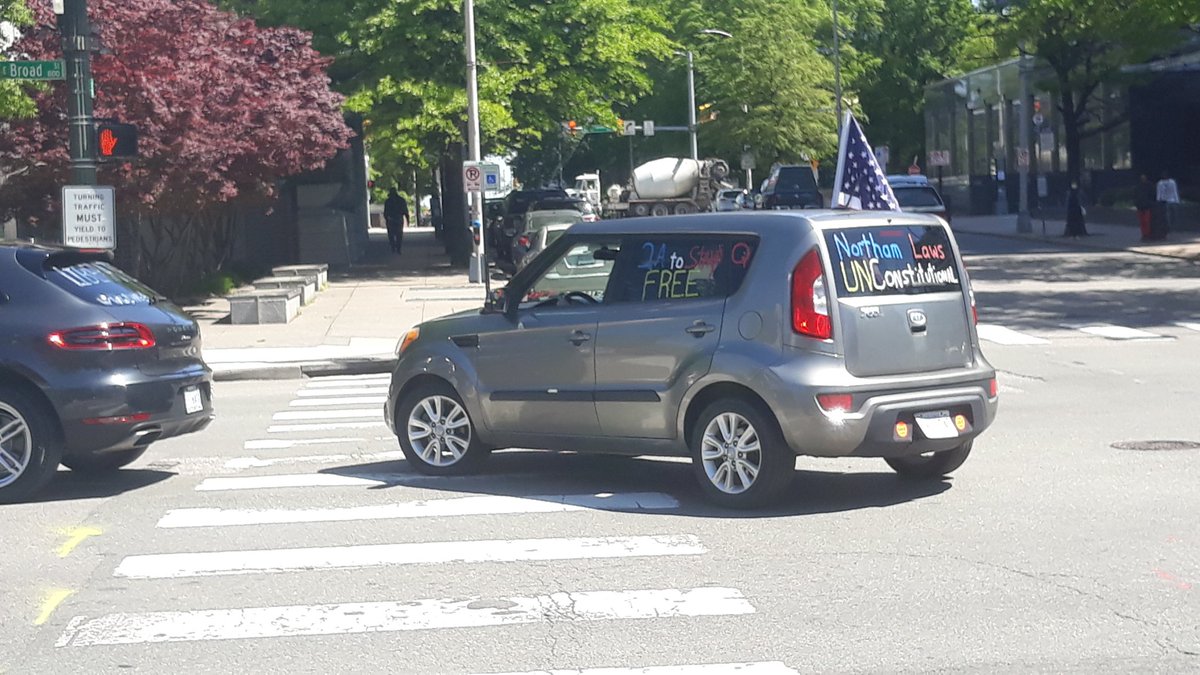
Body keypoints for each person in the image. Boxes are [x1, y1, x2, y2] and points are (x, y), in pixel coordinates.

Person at [1155, 170, 1180, 240]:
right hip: (1164, 202)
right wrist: (1158, 201)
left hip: (1172, 201)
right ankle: (1168, 229)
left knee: (1173, 216)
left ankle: (1171, 228)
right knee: (1167, 217)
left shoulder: (1172, 182)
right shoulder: (1160, 183)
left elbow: (1175, 191)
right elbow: (1159, 192)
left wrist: (1176, 200)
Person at [383, 188, 408, 254]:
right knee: (399, 234)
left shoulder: (388, 201)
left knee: (391, 234)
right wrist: (407, 220)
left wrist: (386, 219)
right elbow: (405, 211)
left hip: (391, 219)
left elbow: (385, 212)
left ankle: (393, 248)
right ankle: (398, 249)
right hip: (399, 219)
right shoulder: (401, 200)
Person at [1135, 173, 1156, 242]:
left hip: (1146, 206)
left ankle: (1146, 234)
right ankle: (1144, 234)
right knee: (1142, 222)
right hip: (1141, 206)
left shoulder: (1147, 186)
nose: (1143, 179)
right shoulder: (1139, 186)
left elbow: (1152, 195)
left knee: (1146, 221)